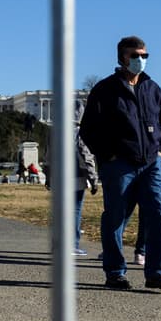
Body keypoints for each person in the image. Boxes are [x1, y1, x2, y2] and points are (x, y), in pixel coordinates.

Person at [78, 35, 161, 290]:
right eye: (135, 56)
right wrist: (107, 155)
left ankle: (157, 272)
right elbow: (88, 130)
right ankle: (115, 272)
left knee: (158, 215)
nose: (140, 60)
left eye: (144, 56)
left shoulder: (153, 88)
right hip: (119, 163)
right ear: (122, 57)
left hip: (150, 163)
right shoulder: (105, 89)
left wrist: (160, 149)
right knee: (115, 217)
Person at [73, 107, 99, 256]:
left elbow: (48, 156)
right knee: (75, 211)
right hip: (75, 176)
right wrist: (93, 179)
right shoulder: (80, 133)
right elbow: (86, 157)